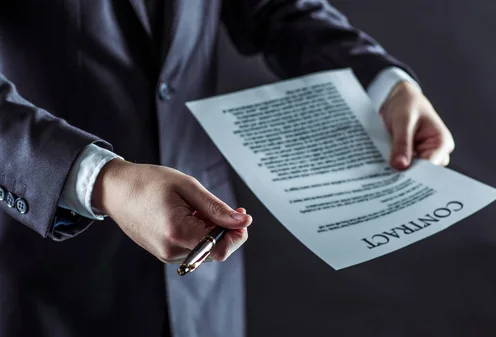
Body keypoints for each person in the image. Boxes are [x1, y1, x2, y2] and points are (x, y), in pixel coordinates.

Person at [0, 0, 454, 336]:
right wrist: (102, 180)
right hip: (41, 275)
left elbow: (274, 8)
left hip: (206, 281)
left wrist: (385, 82)